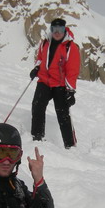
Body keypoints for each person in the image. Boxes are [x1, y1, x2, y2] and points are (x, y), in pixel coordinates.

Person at [29, 18, 80, 148]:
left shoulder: (70, 47)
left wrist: (70, 91)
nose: (57, 32)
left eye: (60, 29)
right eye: (54, 29)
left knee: (62, 113)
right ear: (51, 30)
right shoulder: (45, 42)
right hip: (45, 80)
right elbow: (40, 58)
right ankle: (37, 137)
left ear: (65, 30)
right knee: (37, 106)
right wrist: (36, 68)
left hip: (60, 84)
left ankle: (69, 145)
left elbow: (72, 70)